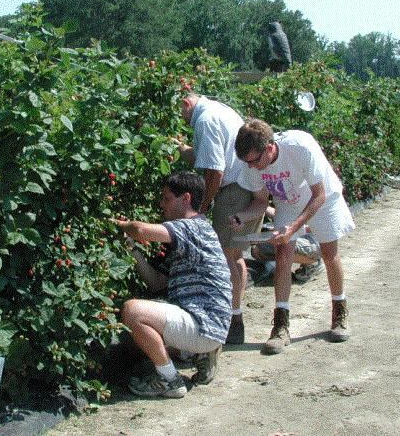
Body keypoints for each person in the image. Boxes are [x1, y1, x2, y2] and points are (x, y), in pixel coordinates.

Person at [232, 119, 354, 354]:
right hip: (289, 200)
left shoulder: (300, 147)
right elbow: (260, 202)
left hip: (323, 198)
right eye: (246, 162)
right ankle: (280, 326)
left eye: (255, 161)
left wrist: (294, 227)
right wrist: (241, 217)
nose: (252, 168)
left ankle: (339, 312)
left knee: (329, 253)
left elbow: (319, 195)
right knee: (283, 252)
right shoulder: (253, 164)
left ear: (269, 148)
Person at [113, 172, 233, 398]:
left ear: (186, 198)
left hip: (203, 324)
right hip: (205, 323)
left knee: (132, 311)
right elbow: (157, 282)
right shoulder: (189, 239)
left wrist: (118, 224)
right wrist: (133, 250)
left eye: (166, 198)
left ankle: (169, 380)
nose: (161, 204)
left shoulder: (193, 227)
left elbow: (140, 230)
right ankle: (200, 354)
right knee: (145, 323)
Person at [173, 93, 262, 345]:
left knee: (226, 257)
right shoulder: (219, 110)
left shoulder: (205, 120)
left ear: (187, 104)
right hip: (244, 186)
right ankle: (234, 316)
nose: (181, 118)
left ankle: (231, 321)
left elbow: (214, 171)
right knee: (235, 255)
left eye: (180, 111)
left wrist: (203, 205)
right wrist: (181, 150)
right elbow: (208, 155)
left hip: (233, 192)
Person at [250, 206, 324, 284]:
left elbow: (308, 227)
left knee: (281, 244)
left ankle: (313, 263)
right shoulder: (285, 205)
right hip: (301, 237)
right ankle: (277, 265)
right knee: (257, 250)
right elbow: (275, 213)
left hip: (314, 240)